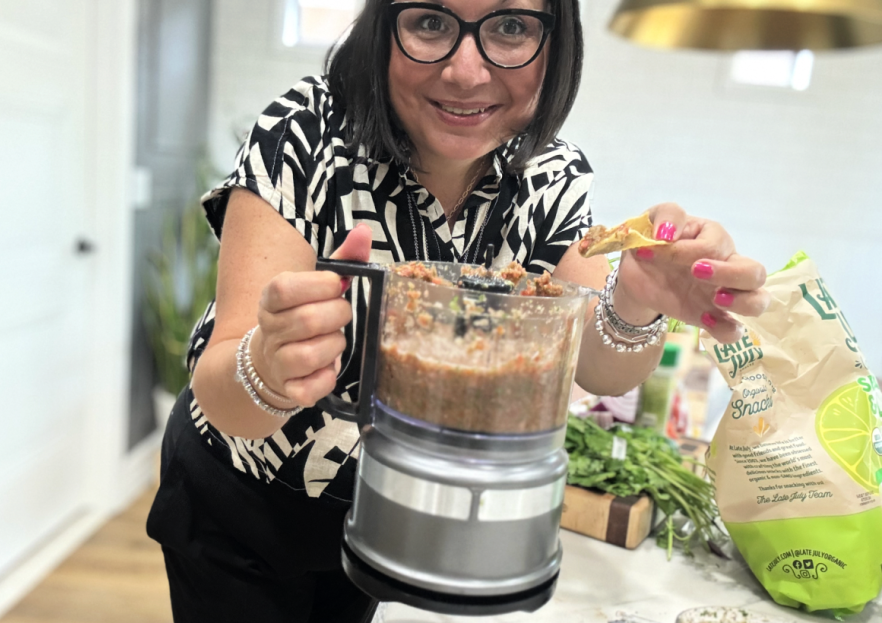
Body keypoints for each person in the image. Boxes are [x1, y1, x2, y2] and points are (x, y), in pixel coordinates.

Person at [147, 1, 770, 621]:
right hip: (239, 502)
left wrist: (635, 302)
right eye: (431, 22)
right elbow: (221, 389)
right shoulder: (305, 134)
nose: (466, 73)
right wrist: (267, 364)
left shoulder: (549, 177)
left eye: (510, 27)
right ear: (383, 28)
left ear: (556, 45)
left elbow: (598, 365)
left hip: (385, 508)